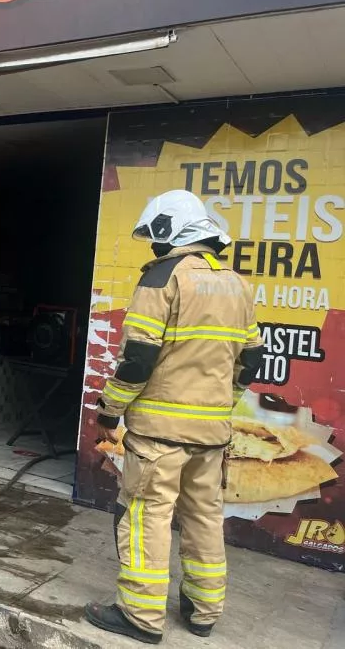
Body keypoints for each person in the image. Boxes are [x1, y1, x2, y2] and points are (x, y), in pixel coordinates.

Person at [84, 190, 265, 644]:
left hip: (159, 434)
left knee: (146, 515)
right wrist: (223, 403)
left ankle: (141, 617)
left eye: (155, 240)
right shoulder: (237, 284)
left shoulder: (163, 278)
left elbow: (138, 359)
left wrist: (110, 411)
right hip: (212, 432)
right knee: (204, 515)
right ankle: (204, 611)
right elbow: (253, 361)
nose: (154, 249)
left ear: (171, 233)